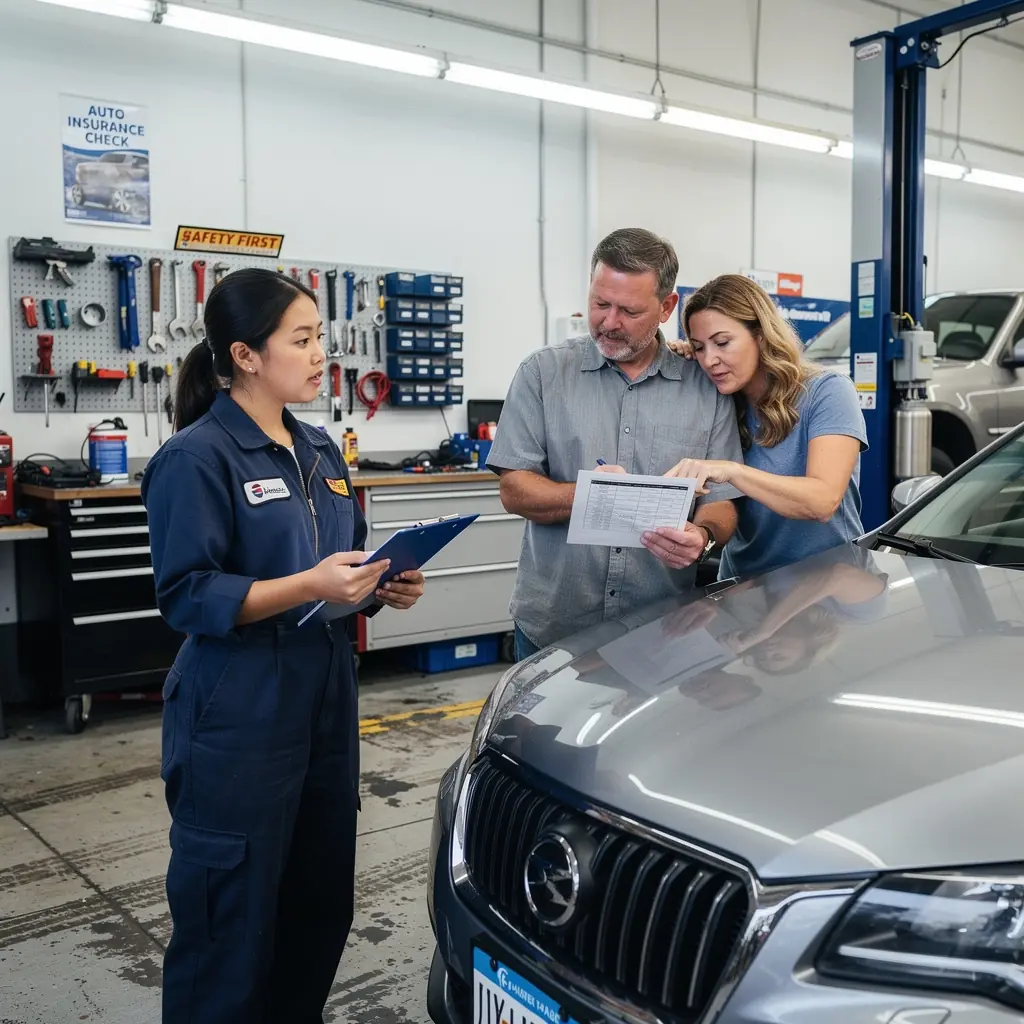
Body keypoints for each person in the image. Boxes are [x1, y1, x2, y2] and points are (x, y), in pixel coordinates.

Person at [141, 268, 425, 1024]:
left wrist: (382, 585)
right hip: (236, 707)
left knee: (315, 900)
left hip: (323, 694)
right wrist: (310, 586)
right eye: (301, 340)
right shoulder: (197, 458)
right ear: (245, 355)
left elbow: (344, 563)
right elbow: (188, 594)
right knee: (229, 918)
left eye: (320, 338)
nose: (318, 354)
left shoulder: (320, 450)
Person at [486, 228, 742, 662]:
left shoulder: (705, 389)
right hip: (554, 627)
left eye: (629, 310)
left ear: (666, 307)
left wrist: (702, 535)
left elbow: (723, 501)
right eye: (600, 304)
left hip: (661, 628)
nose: (609, 322)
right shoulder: (542, 374)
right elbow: (514, 490)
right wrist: (590, 496)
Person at [665, 274, 868, 581]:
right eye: (699, 347)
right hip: (745, 590)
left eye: (722, 343)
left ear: (760, 335)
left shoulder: (828, 392)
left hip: (829, 584)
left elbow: (822, 501)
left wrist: (732, 471)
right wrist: (676, 366)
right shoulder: (719, 402)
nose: (710, 360)